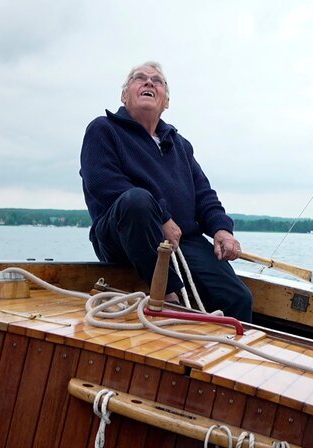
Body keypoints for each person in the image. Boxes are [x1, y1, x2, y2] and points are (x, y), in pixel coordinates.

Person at [79, 61, 253, 322]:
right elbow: (104, 184)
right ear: (125, 95)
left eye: (157, 81)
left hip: (182, 241)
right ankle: (170, 294)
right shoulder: (103, 129)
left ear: (166, 101)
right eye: (140, 78)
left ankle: (231, 357)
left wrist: (221, 229)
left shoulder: (180, 145)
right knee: (136, 200)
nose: (149, 82)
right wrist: (161, 217)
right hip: (123, 234)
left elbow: (204, 194)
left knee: (237, 297)